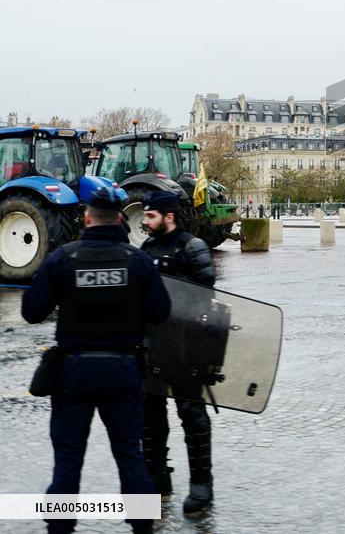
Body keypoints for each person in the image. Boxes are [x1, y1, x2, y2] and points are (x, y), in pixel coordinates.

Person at [21, 184, 170, 534]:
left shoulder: (63, 258)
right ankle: (142, 527)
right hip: (123, 369)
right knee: (130, 456)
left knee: (68, 460)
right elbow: (161, 312)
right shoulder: (138, 260)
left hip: (73, 371)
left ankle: (60, 528)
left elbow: (31, 312)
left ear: (87, 218)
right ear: (119, 218)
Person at [139, 190, 217, 515]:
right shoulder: (146, 249)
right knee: (151, 420)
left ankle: (202, 484)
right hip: (153, 347)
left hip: (186, 346)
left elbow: (206, 295)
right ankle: (158, 481)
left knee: (192, 416)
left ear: (168, 216)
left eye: (150, 215)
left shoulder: (192, 247)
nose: (144, 221)